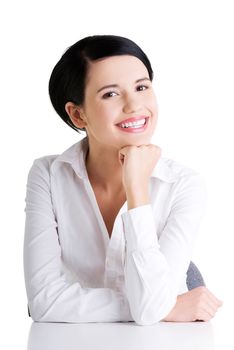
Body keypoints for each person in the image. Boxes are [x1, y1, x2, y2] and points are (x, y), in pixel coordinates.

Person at [23, 35, 223, 325]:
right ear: (78, 115)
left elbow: (52, 302)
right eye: (110, 94)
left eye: (142, 87)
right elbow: (43, 302)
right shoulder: (48, 175)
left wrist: (137, 189)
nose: (134, 105)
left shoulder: (184, 185)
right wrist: (163, 306)